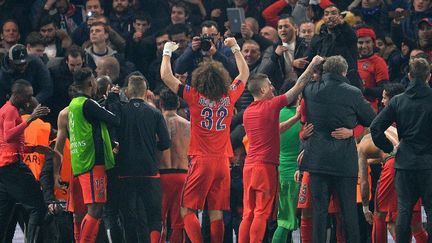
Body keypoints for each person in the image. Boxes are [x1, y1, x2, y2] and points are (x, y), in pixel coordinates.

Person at [160, 37, 249, 243]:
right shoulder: (229, 96)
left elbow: (166, 75)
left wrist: (167, 52)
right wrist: (235, 48)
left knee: (187, 209)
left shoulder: (193, 96)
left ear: (199, 80)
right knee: (216, 211)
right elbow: (244, 74)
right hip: (223, 162)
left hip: (201, 160)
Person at [239, 55, 323, 243]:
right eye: (269, 85)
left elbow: (273, 130)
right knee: (261, 212)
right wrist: (313, 65)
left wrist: (294, 119)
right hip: (265, 167)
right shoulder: (271, 105)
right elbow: (298, 87)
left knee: (248, 212)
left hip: (249, 167)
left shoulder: (248, 112)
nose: (272, 87)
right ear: (262, 89)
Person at [300, 55, 376, 242]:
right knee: (348, 212)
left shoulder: (310, 90)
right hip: (344, 161)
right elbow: (371, 120)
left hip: (317, 161)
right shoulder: (353, 92)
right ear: (344, 72)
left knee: (319, 213)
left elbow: (304, 118)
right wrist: (352, 132)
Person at [371, 57, 432, 242]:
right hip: (429, 164)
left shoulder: (398, 101)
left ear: (409, 75)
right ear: (428, 76)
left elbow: (375, 128)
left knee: (403, 210)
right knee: (431, 210)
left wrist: (390, 148)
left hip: (404, 163)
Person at [106, 75, 170, 243]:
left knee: (128, 217)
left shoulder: (120, 110)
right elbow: (165, 143)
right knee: (154, 217)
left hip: (125, 172)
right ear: (146, 92)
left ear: (127, 92)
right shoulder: (155, 113)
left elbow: (109, 122)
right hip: (150, 171)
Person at [67, 67, 119, 243]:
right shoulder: (88, 104)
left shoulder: (74, 103)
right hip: (92, 161)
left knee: (81, 211)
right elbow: (114, 119)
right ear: (90, 82)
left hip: (79, 160)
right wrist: (112, 99)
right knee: (95, 209)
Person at [0, 79, 52, 243]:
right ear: (17, 95)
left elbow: (10, 144)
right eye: (28, 96)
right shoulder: (10, 111)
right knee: (38, 206)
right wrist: (31, 118)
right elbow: (9, 136)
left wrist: (33, 148)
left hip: (5, 168)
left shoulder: (8, 109)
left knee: (5, 212)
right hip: (12, 167)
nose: (30, 100)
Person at [159, 88, 190, 243]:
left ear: (161, 104)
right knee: (180, 222)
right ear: (178, 103)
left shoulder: (156, 123)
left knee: (160, 220)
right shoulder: (188, 125)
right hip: (183, 175)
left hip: (162, 175)